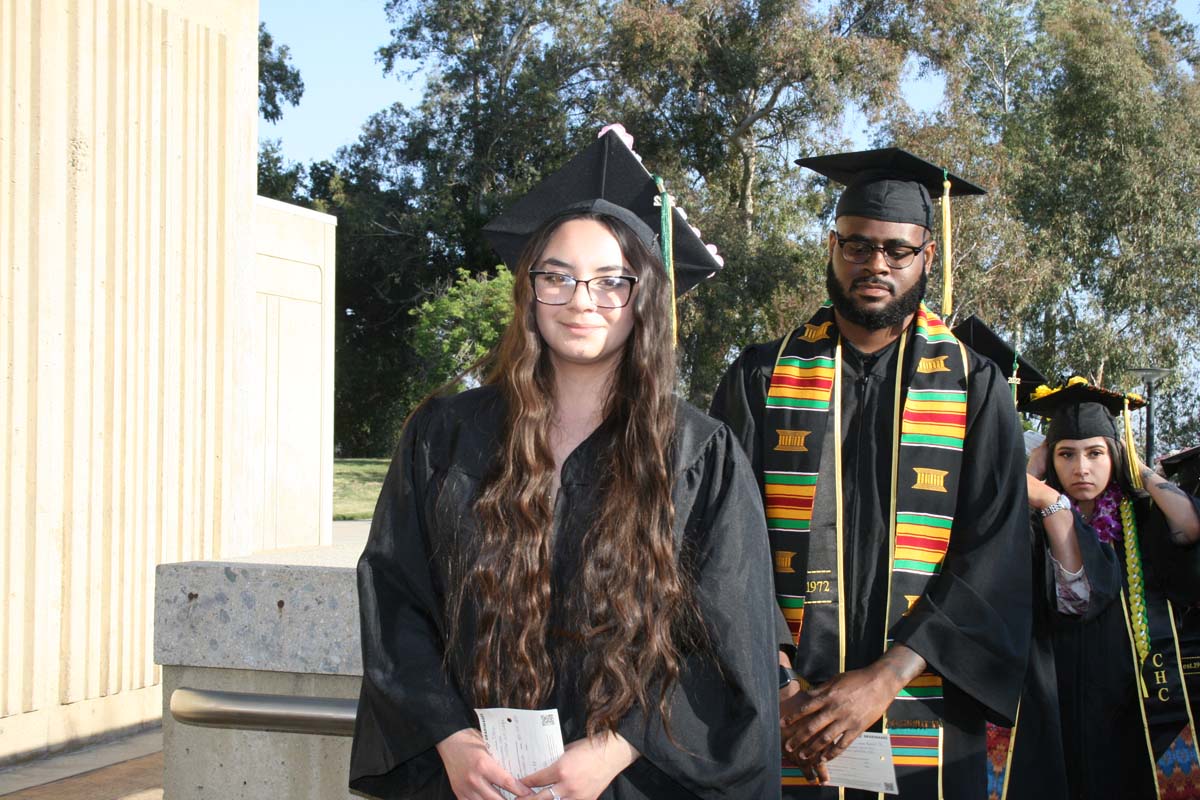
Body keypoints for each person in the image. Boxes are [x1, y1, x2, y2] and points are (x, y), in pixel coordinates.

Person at [349, 127, 782, 800]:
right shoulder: (447, 437)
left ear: (643, 298)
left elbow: (728, 644)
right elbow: (396, 600)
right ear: (531, 291)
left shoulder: (699, 456)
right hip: (472, 780)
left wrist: (614, 750)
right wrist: (450, 738)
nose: (583, 300)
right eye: (558, 277)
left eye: (612, 281)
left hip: (630, 782)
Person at [710, 147, 1031, 799]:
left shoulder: (975, 388)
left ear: (927, 257)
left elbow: (994, 555)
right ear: (832, 247)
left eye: (897, 250)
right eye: (857, 246)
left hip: (926, 703)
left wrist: (883, 679)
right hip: (784, 713)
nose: (875, 265)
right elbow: (721, 543)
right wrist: (777, 683)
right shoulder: (760, 379)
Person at [1019, 380, 1200, 799]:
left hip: (1128, 696)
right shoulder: (1035, 520)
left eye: (1096, 453)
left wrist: (1139, 468)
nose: (1081, 468)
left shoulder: (1139, 516)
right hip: (1054, 690)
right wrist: (1034, 470)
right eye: (1066, 454)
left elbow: (1191, 526)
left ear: (1114, 455)